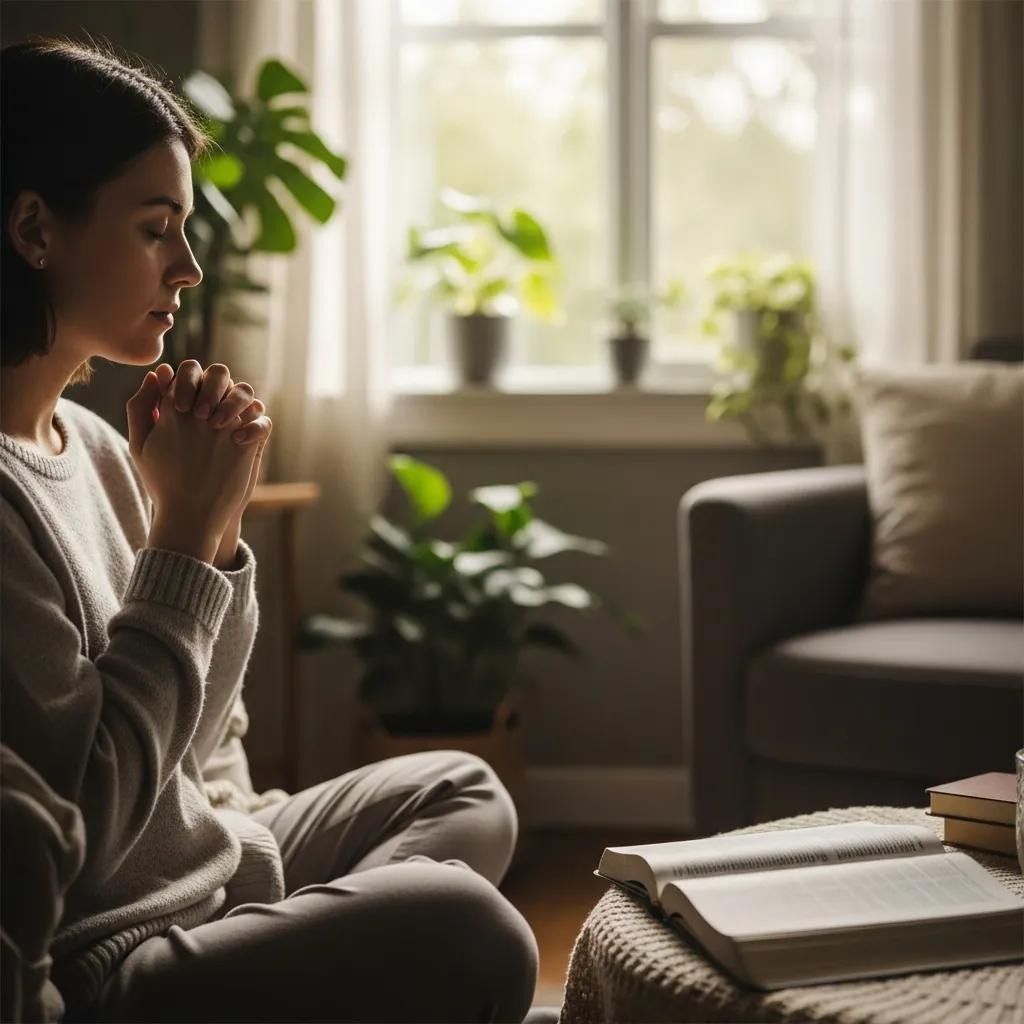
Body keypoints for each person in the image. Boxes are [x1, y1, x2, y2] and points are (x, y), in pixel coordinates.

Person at [0, 37, 538, 1023]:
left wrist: (213, 531)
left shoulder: (91, 441)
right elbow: (82, 825)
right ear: (34, 229)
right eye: (157, 230)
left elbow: (201, 746)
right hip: (111, 950)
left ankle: (288, 945)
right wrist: (182, 542)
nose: (190, 268)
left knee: (465, 788)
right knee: (474, 927)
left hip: (206, 872)